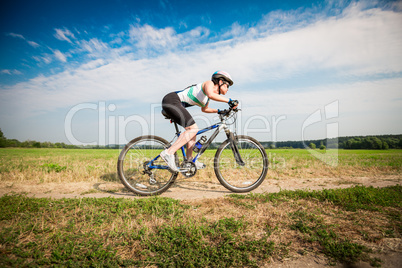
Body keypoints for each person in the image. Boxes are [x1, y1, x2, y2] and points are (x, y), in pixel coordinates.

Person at [160, 70, 238, 172]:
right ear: (220, 82)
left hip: (175, 104)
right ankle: (168, 153)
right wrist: (230, 101)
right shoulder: (208, 84)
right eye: (227, 85)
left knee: (193, 132)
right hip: (172, 100)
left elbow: (204, 109)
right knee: (193, 128)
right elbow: (211, 94)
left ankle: (189, 160)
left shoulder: (206, 98)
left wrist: (219, 111)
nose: (227, 89)